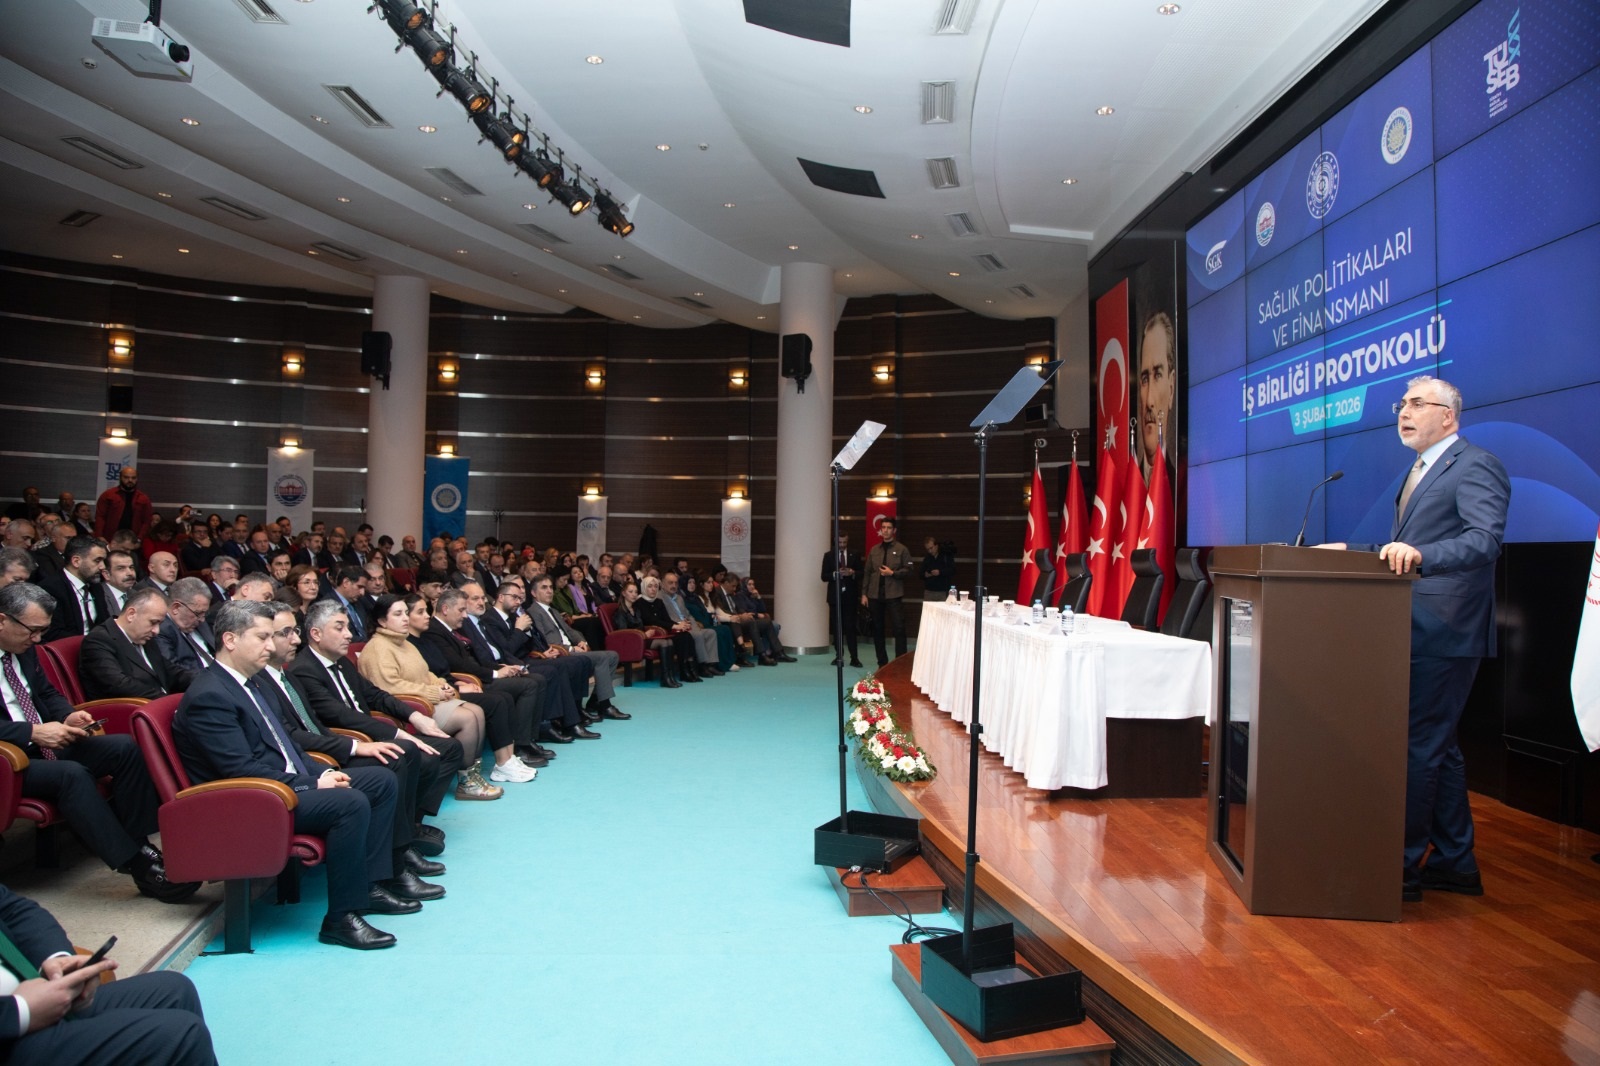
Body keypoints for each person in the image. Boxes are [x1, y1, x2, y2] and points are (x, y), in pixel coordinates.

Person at [1318, 375, 1509, 902]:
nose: (1404, 411)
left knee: (1419, 746)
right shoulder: (1420, 470)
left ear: (1448, 415)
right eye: (1401, 403)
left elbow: (1484, 540)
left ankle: (1397, 868)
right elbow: (1405, 548)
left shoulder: (1474, 464)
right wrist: (1353, 551)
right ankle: (1456, 863)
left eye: (1417, 403)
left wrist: (1422, 556)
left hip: (1447, 628)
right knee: (1437, 747)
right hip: (1416, 624)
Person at [173, 600, 422, 950]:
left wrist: (325, 771)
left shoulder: (252, 683)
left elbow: (288, 747)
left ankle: (369, 886)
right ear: (230, 640)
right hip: (249, 801)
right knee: (349, 803)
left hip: (281, 785)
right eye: (261, 637)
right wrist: (312, 783)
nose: (270, 645)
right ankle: (341, 919)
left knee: (380, 780)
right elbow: (239, 771)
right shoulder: (210, 695)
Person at [0, 582, 196, 902]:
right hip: (13, 757)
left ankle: (141, 844)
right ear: (2, 620)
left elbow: (46, 693)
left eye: (42, 631)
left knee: (126, 748)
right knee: (72, 774)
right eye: (32, 630)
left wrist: (68, 715)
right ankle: (139, 867)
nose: (37, 639)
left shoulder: (24, 649)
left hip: (49, 739)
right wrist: (31, 733)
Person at [255, 603, 450, 881]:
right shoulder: (279, 677)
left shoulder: (287, 676)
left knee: (408, 752)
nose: (296, 640)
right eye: (285, 633)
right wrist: (355, 746)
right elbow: (294, 735)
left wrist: (407, 720)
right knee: (394, 761)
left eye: (295, 631)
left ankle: (402, 847)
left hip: (323, 751)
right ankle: (394, 862)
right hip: (312, 762)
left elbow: (319, 723)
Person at [0, 883, 216, 1064]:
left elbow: (11, 908)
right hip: (10, 1032)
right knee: (182, 1036)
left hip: (27, 996)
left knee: (175, 990)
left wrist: (57, 961)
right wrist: (22, 1011)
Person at [358, 592, 526, 788]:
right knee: (468, 718)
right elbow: (389, 687)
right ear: (382, 621)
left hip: (427, 699)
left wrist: (441, 684)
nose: (405, 618)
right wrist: (433, 692)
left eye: (405, 613)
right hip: (408, 708)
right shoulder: (377, 648)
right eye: (398, 614)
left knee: (477, 711)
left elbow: (425, 673)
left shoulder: (404, 643)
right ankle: (467, 783)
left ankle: (472, 775)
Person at [525, 574, 627, 720]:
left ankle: (595, 700)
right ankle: (604, 705)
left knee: (612, 656)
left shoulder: (553, 610)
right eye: (544, 588)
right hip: (560, 653)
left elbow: (571, 631)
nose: (549, 591)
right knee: (603, 658)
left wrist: (582, 642)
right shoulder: (533, 612)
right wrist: (571, 649)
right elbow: (543, 640)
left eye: (551, 587)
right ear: (534, 593)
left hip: (571, 649)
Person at [79, 587, 182, 699]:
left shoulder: (145, 637)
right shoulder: (98, 640)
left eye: (159, 624)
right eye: (153, 622)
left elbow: (170, 672)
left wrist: (197, 681)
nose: (156, 631)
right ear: (131, 614)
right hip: (131, 707)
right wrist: (168, 700)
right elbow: (120, 685)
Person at [622, 579, 697, 688]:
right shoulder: (638, 604)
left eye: (655, 586)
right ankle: (670, 676)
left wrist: (679, 624)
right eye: (650, 586)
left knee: (686, 635)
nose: (653, 589)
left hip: (657, 633)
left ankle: (687, 671)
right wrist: (674, 626)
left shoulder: (657, 602)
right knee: (670, 641)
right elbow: (649, 620)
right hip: (647, 636)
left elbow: (666, 619)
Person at [862, 517, 913, 667]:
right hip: (875, 595)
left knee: (899, 628)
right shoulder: (874, 550)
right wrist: (864, 593)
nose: (885, 530)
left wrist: (893, 573)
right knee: (878, 630)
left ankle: (900, 663)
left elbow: (909, 570)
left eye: (889, 528)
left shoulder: (902, 549)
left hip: (893, 595)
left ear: (894, 530)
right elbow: (867, 572)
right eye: (883, 527)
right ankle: (882, 663)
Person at [1137, 310, 1176, 482]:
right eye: (1145, 379)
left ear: (1171, 388)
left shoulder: (1182, 484)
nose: (1149, 401)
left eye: (1158, 375)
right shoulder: (1130, 487)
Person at [821, 534, 862, 667]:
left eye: (845, 542)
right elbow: (823, 576)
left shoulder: (854, 554)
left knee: (851, 627)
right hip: (835, 597)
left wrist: (852, 572)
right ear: (835, 542)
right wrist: (835, 574)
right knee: (837, 627)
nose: (843, 545)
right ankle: (839, 656)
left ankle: (854, 657)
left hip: (850, 597)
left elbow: (861, 573)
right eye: (840, 542)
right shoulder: (828, 556)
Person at [93, 467, 151, 541]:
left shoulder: (143, 498)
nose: (130, 480)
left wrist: (139, 539)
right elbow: (100, 517)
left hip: (133, 540)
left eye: (133, 478)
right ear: (120, 478)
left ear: (137, 479)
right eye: (126, 477)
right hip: (110, 539)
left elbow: (146, 521)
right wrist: (99, 535)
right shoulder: (108, 495)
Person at [919, 535, 955, 601]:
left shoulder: (945, 556)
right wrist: (925, 575)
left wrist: (940, 572)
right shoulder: (927, 557)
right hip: (929, 591)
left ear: (936, 546)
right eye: (928, 549)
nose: (930, 551)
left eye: (931, 548)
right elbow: (920, 573)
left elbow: (952, 570)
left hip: (942, 591)